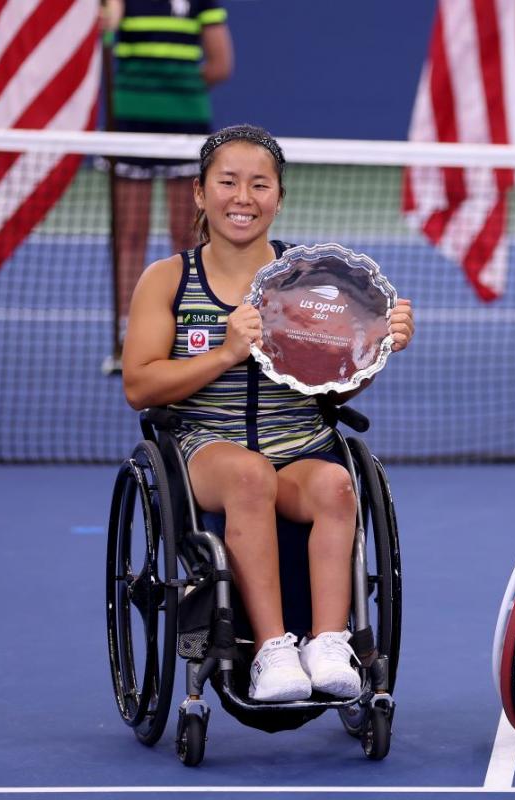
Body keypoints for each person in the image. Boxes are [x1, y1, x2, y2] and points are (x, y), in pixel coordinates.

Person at [121, 124, 415, 702]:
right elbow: (140, 385)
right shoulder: (169, 280)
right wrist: (228, 352)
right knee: (250, 477)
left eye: (260, 185)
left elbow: (334, 390)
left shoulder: (309, 282)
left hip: (300, 445)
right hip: (207, 447)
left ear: (279, 198)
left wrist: (376, 352)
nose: (243, 198)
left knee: (335, 486)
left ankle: (329, 643)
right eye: (227, 182)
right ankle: (272, 651)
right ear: (201, 194)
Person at [101, 0, 234, 374]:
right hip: (129, 125)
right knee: (130, 233)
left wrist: (177, 88)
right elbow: (104, 34)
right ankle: (131, 335)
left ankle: (188, 327)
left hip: (184, 127)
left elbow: (221, 63)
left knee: (188, 233)